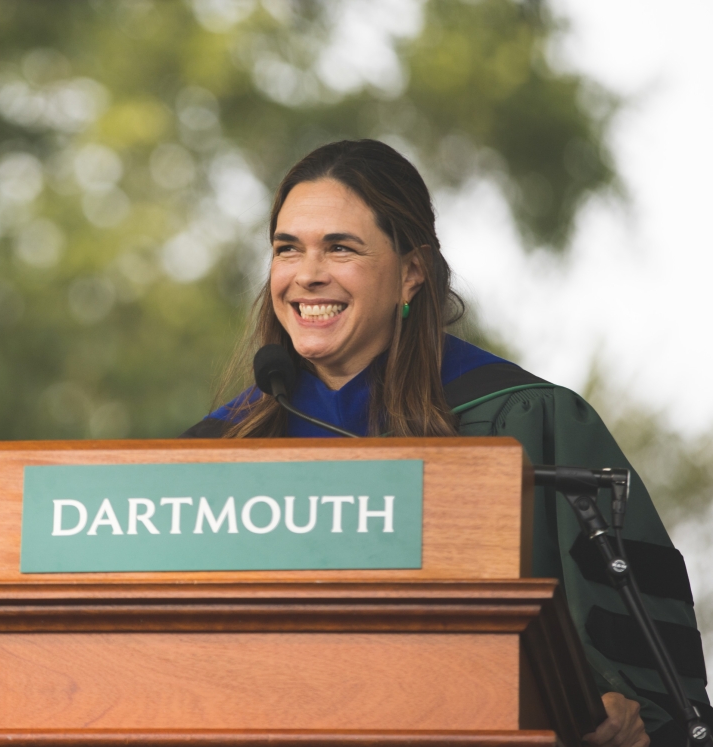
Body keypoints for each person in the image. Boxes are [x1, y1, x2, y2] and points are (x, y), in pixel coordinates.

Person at [183, 140, 708, 747]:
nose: (307, 275)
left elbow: (643, 673)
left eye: (340, 248)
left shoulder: (524, 423)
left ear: (412, 273)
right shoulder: (218, 451)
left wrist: (625, 711)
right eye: (287, 249)